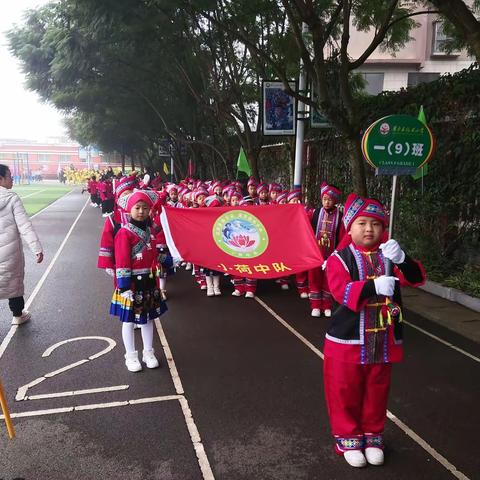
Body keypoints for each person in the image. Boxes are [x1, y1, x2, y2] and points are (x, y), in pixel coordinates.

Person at [323, 193, 426, 468]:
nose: (369, 229)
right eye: (362, 223)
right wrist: (373, 287)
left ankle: (372, 435)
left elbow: (416, 278)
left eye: (376, 224)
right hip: (346, 341)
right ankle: (347, 437)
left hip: (382, 340)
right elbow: (340, 291)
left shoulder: (388, 254)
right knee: (345, 390)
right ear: (350, 227)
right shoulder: (339, 258)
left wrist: (403, 258)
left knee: (377, 390)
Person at [110, 189, 172, 372]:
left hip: (149, 282)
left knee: (148, 319)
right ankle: (130, 356)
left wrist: (170, 260)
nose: (142, 211)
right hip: (131, 285)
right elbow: (122, 260)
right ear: (130, 209)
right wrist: (124, 286)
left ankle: (148, 352)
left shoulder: (150, 231)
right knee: (128, 321)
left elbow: (154, 255)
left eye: (145, 208)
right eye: (138, 207)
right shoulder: (124, 233)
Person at [0, 164, 44, 325]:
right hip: (10, 253)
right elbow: (24, 225)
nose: (12, 178)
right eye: (9, 176)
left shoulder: (12, 198)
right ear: (1, 179)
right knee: (14, 283)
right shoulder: (12, 198)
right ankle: (18, 315)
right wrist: (36, 248)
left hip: (9, 250)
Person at [309, 183, 345, 317]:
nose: (327, 202)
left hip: (331, 255)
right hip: (316, 253)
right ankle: (315, 305)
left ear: (334, 200)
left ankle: (327, 305)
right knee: (314, 278)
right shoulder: (315, 213)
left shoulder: (340, 217)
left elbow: (341, 237)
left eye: (329, 199)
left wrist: (338, 254)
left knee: (329, 279)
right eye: (324, 199)